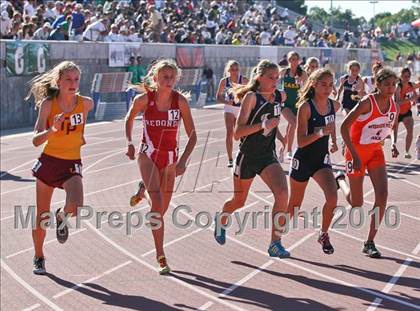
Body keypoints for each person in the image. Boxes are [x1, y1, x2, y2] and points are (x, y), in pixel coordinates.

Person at [125, 59, 197, 274]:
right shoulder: (144, 100)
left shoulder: (180, 102)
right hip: (148, 155)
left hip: (170, 159)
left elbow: (193, 136)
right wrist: (129, 142)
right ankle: (161, 256)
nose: (168, 80)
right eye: (164, 76)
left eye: (172, 77)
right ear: (155, 78)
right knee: (157, 206)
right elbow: (129, 119)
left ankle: (143, 190)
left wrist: (183, 161)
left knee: (161, 210)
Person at [214, 59, 290, 258]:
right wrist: (263, 125)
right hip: (247, 156)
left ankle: (275, 243)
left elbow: (277, 121)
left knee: (282, 193)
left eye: (277, 78)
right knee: (239, 201)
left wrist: (282, 137)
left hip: (267, 155)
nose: (275, 81)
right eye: (271, 78)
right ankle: (221, 219)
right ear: (259, 78)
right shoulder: (251, 97)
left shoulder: (278, 97)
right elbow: (237, 133)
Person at [27, 61, 94, 275]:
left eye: (76, 79)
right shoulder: (48, 105)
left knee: (76, 205)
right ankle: (39, 256)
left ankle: (61, 216)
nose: (73, 83)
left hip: (71, 162)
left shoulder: (86, 104)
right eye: (68, 79)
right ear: (59, 81)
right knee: (41, 215)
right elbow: (36, 141)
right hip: (49, 161)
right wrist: (52, 130)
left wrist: (79, 136)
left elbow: (79, 128)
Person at [336, 68, 399, 258]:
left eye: (393, 85)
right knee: (357, 203)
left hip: (375, 151)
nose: (390, 88)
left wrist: (394, 142)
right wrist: (353, 155)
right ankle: (340, 180)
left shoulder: (393, 104)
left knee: (383, 194)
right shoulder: (367, 103)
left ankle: (370, 241)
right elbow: (344, 126)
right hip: (356, 152)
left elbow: (392, 125)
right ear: (377, 85)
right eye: (386, 84)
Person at [288, 68, 340, 254]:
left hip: (321, 161)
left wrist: (333, 140)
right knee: (293, 208)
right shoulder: (306, 107)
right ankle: (275, 239)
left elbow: (331, 124)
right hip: (303, 160)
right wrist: (321, 132)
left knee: (333, 197)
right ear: (314, 84)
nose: (327, 88)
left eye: (330, 85)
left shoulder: (335, 105)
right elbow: (301, 142)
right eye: (323, 84)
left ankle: (323, 233)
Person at [216, 60, 249, 167]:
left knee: (238, 135)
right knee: (229, 132)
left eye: (236, 69)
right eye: (232, 70)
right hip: (229, 108)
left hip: (241, 109)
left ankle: (242, 153)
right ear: (228, 70)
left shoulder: (244, 80)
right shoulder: (224, 81)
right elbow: (218, 97)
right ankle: (230, 159)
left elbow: (252, 93)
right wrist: (226, 101)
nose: (235, 72)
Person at [280, 51, 308, 159]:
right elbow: (272, 81)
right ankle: (289, 151)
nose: (294, 61)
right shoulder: (284, 72)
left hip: (297, 104)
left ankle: (283, 146)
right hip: (285, 103)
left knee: (291, 126)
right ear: (288, 60)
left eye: (296, 59)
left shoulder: (303, 73)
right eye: (292, 59)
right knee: (293, 123)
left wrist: (301, 83)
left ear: (299, 60)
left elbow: (307, 89)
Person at [392, 67, 417, 159]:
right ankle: (393, 147)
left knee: (410, 130)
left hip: (406, 112)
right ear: (401, 76)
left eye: (408, 76)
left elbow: (415, 94)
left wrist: (415, 98)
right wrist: (409, 99)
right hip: (397, 112)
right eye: (405, 76)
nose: (407, 78)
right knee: (394, 132)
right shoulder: (399, 87)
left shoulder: (411, 85)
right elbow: (398, 102)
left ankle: (407, 151)